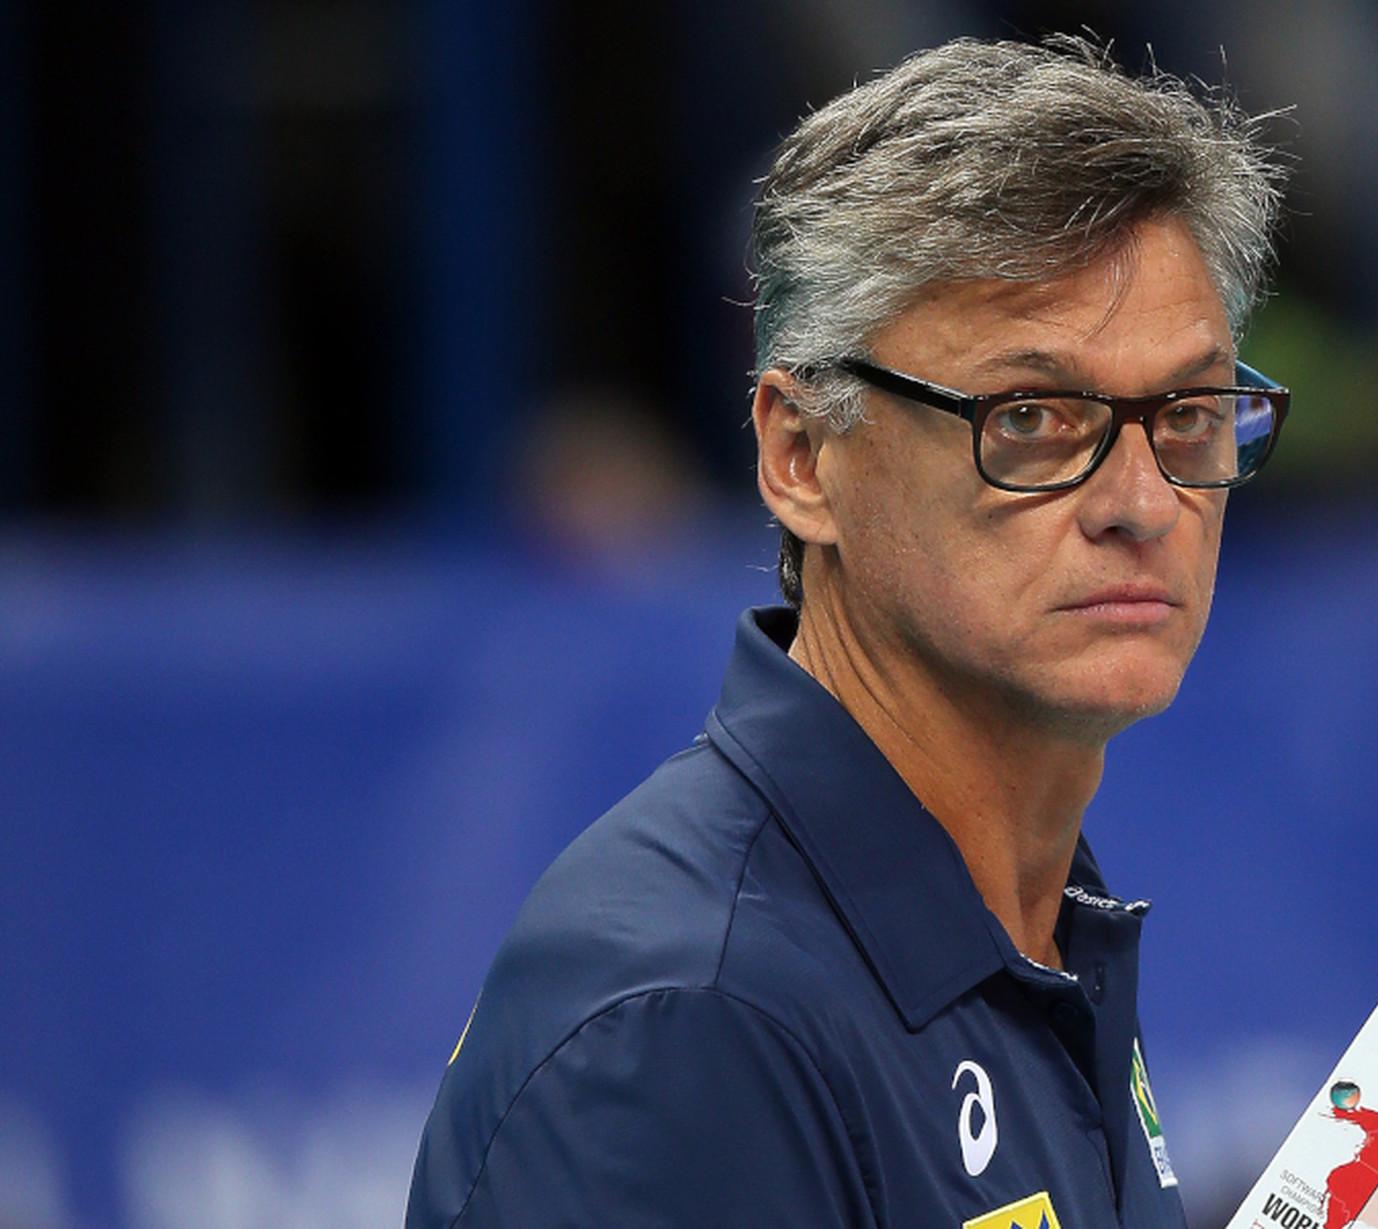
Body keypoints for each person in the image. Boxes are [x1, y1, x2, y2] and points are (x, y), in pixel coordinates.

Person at [405, 34, 1287, 1229]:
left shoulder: (1017, 910)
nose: (1140, 502)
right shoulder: (693, 1014)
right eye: (1030, 417)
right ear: (800, 454)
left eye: (1187, 411)